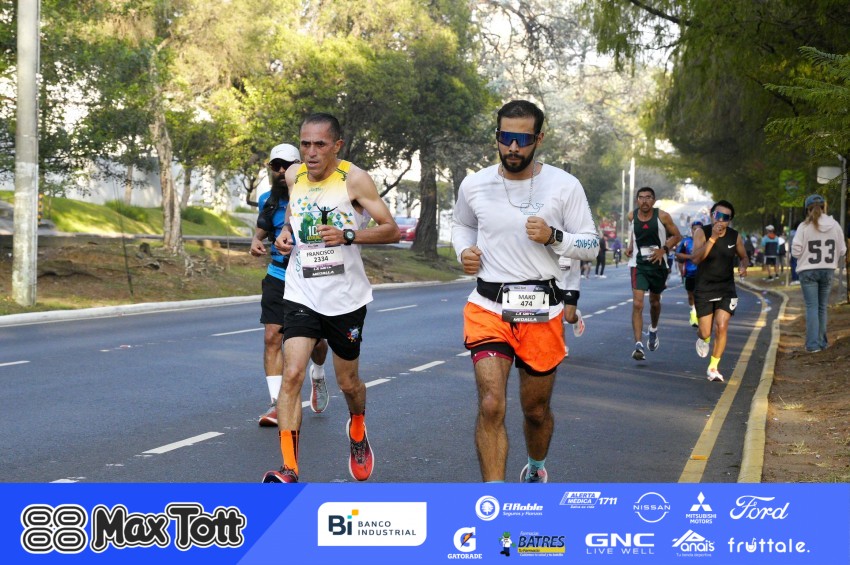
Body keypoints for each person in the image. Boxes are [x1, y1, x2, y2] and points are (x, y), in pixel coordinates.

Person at [452, 99, 599, 483]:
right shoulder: (475, 184)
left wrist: (555, 237)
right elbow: (462, 225)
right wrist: (464, 251)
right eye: (506, 138)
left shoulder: (564, 185)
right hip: (488, 306)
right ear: (497, 136)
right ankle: (494, 499)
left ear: (539, 139)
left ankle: (535, 467)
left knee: (536, 410)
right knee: (491, 404)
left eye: (523, 139)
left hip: (542, 310)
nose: (513, 147)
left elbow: (591, 245)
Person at [262, 113, 401, 483]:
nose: (310, 152)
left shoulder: (354, 179)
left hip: (345, 298)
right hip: (302, 291)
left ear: (337, 145)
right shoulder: (294, 175)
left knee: (349, 383)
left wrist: (348, 235)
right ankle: (289, 469)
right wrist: (286, 233)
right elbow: (294, 213)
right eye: (305, 143)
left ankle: (357, 426)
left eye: (320, 144)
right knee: (292, 373)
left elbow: (391, 230)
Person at [250, 144, 329, 427]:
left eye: (288, 165)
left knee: (316, 341)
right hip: (278, 275)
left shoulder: (316, 195)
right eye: (276, 166)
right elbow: (262, 229)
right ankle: (276, 404)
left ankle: (318, 372)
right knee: (272, 337)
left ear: (300, 166)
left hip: (310, 277)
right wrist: (255, 240)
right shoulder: (267, 199)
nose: (282, 171)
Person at [691, 200, 749, 382]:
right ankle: (703, 339)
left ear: (730, 220)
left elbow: (744, 256)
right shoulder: (701, 233)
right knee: (705, 332)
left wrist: (743, 266)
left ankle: (713, 367)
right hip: (704, 288)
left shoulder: (734, 237)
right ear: (711, 215)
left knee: (722, 326)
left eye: (725, 217)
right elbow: (696, 259)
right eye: (718, 215)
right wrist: (713, 238)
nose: (720, 220)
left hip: (726, 288)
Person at [624, 187, 682, 361]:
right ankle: (638, 345)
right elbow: (634, 232)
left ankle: (653, 329)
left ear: (654, 200)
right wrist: (630, 246)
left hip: (658, 265)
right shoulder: (631, 216)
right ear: (637, 200)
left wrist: (663, 250)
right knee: (637, 303)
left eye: (648, 197)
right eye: (641, 197)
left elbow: (677, 236)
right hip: (638, 264)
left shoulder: (663, 216)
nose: (644, 201)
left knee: (654, 302)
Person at [791, 194, 847, 353]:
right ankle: (822, 343)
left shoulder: (804, 227)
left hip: (808, 271)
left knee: (812, 307)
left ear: (807, 210)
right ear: (824, 207)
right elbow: (842, 250)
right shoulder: (835, 225)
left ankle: (812, 345)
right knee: (822, 307)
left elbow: (795, 252)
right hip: (828, 270)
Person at [675, 220, 703, 327]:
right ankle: (693, 312)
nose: (696, 231)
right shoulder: (686, 241)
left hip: (703, 274)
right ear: (691, 230)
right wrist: (690, 257)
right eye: (694, 229)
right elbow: (678, 254)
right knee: (691, 296)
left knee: (700, 295)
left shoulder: (707, 241)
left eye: (699, 229)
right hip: (689, 273)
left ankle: (700, 316)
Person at [559, 256, 586, 358]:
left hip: (570, 283)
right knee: (556, 317)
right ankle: (563, 346)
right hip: (553, 282)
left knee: (569, 318)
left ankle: (576, 317)